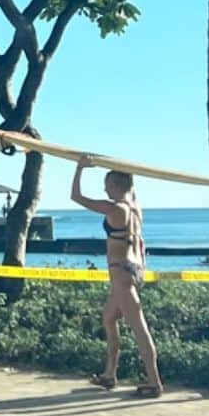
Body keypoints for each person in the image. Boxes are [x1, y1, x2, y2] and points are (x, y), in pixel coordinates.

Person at [71, 157, 162, 398]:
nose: (105, 189)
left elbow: (76, 197)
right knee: (109, 318)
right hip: (133, 269)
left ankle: (154, 382)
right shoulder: (135, 207)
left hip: (121, 272)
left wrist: (79, 168)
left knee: (139, 328)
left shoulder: (115, 208)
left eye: (108, 184)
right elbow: (130, 185)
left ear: (117, 185)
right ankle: (110, 374)